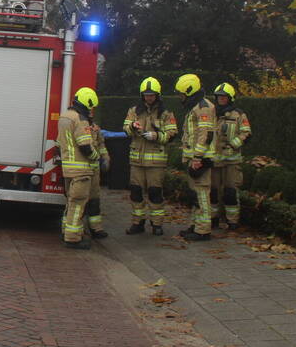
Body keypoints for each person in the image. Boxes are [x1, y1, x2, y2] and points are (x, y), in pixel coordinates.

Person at [122, 77, 178, 236]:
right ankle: (137, 223)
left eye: (152, 95)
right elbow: (125, 129)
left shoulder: (166, 113)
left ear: (158, 95)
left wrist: (157, 136)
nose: (149, 97)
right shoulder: (134, 111)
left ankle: (157, 224)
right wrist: (132, 126)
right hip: (137, 161)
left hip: (156, 162)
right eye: (146, 95)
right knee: (136, 193)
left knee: (155, 193)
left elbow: (172, 133)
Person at [57, 87, 101, 250]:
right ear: (87, 103)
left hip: (68, 168)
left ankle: (65, 231)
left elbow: (58, 143)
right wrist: (97, 157)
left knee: (70, 201)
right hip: (81, 170)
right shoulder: (80, 119)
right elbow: (85, 146)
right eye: (91, 107)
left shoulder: (65, 116)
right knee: (78, 203)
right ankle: (73, 238)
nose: (91, 111)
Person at [175, 73, 217, 242]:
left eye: (182, 94)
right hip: (195, 159)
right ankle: (195, 225)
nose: (180, 97)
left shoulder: (203, 107)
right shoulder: (196, 107)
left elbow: (205, 135)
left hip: (201, 160)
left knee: (201, 195)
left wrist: (198, 157)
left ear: (189, 91)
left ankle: (203, 230)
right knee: (195, 195)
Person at [212, 83, 251, 230]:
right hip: (214, 161)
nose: (221, 99)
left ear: (230, 98)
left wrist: (233, 145)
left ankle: (232, 221)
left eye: (224, 97)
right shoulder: (211, 113)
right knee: (213, 192)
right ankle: (212, 219)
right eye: (219, 97)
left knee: (230, 192)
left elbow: (246, 133)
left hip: (232, 161)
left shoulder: (239, 115)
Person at [86, 121, 109, 239]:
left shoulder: (95, 128)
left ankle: (96, 228)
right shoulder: (78, 124)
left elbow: (101, 145)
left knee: (94, 200)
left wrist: (106, 159)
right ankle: (72, 231)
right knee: (77, 200)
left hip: (94, 171)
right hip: (80, 170)